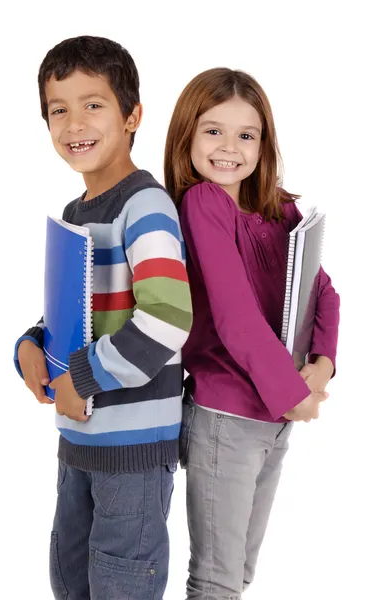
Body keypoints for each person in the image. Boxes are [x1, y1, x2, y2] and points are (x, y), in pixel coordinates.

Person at [14, 35, 192, 600]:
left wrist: (77, 378)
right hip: (80, 445)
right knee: (70, 579)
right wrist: (30, 347)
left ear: (132, 115)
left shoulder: (145, 206)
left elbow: (166, 319)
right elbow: (71, 317)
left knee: (120, 584)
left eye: (93, 104)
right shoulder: (75, 214)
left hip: (133, 455)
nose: (74, 124)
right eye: (57, 110)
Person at [164, 67, 340, 599]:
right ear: (187, 135)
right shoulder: (203, 204)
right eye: (213, 131)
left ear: (264, 143)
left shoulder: (276, 207)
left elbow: (324, 292)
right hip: (227, 418)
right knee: (216, 580)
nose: (230, 149)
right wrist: (294, 395)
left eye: (247, 135)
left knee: (238, 573)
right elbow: (236, 320)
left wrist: (322, 368)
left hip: (276, 416)